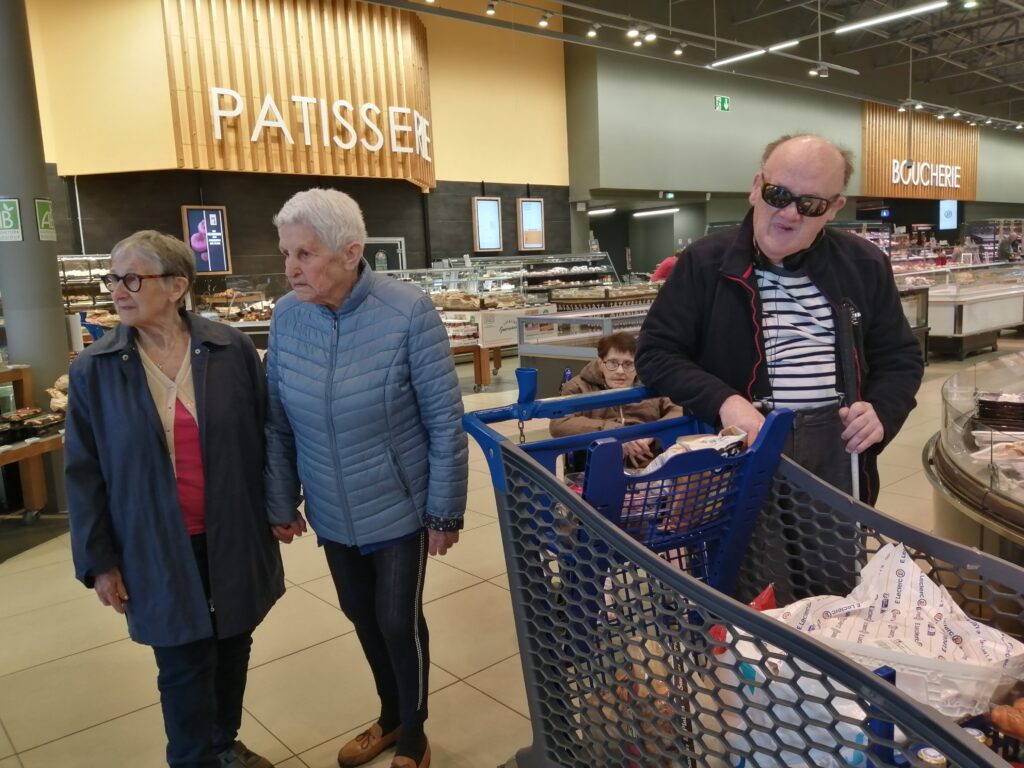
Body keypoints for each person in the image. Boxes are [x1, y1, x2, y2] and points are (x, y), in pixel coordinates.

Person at [265, 188, 468, 768]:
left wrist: (445, 510)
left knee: (397, 621)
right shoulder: (286, 317)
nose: (291, 268)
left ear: (351, 252)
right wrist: (280, 499)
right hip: (330, 505)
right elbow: (276, 422)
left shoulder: (408, 312)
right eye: (286, 253)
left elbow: (444, 420)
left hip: (399, 502)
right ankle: (390, 714)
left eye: (305, 254)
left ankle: (414, 732)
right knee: (361, 614)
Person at [66, 231, 284, 768]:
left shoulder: (229, 349)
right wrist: (99, 562)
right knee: (183, 662)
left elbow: (268, 434)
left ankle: (223, 743)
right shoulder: (95, 369)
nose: (117, 290)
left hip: (233, 532)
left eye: (132, 278)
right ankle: (193, 757)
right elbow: (84, 473)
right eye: (114, 278)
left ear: (177, 286)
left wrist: (280, 506)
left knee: (233, 643)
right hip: (154, 543)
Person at [636, 134, 924, 507]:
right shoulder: (704, 262)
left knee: (835, 548)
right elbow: (656, 353)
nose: (790, 214)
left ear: (834, 208)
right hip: (738, 449)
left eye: (810, 204)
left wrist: (882, 410)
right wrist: (724, 400)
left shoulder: (864, 264)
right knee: (743, 546)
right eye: (778, 195)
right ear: (756, 187)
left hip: (837, 451)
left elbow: (901, 358)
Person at [550, 331, 683, 468]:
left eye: (628, 364)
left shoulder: (652, 384)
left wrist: (651, 434)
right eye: (612, 363)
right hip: (596, 466)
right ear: (600, 363)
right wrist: (616, 434)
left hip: (651, 466)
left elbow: (680, 410)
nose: (620, 371)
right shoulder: (578, 387)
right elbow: (559, 424)